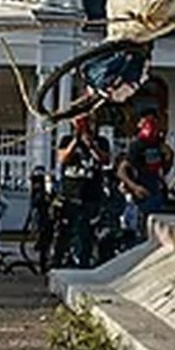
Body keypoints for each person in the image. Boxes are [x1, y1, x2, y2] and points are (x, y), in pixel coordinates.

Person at [55, 115, 111, 268]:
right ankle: (58, 262)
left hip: (91, 195)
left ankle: (84, 263)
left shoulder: (101, 141)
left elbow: (105, 160)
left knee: (86, 232)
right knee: (65, 231)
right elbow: (62, 158)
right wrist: (76, 140)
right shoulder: (66, 140)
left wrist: (91, 145)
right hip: (70, 195)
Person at [117, 112, 174, 239]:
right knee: (141, 231)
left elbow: (163, 169)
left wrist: (169, 157)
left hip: (156, 190)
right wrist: (135, 187)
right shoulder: (137, 145)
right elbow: (121, 170)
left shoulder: (159, 144)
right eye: (147, 122)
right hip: (141, 192)